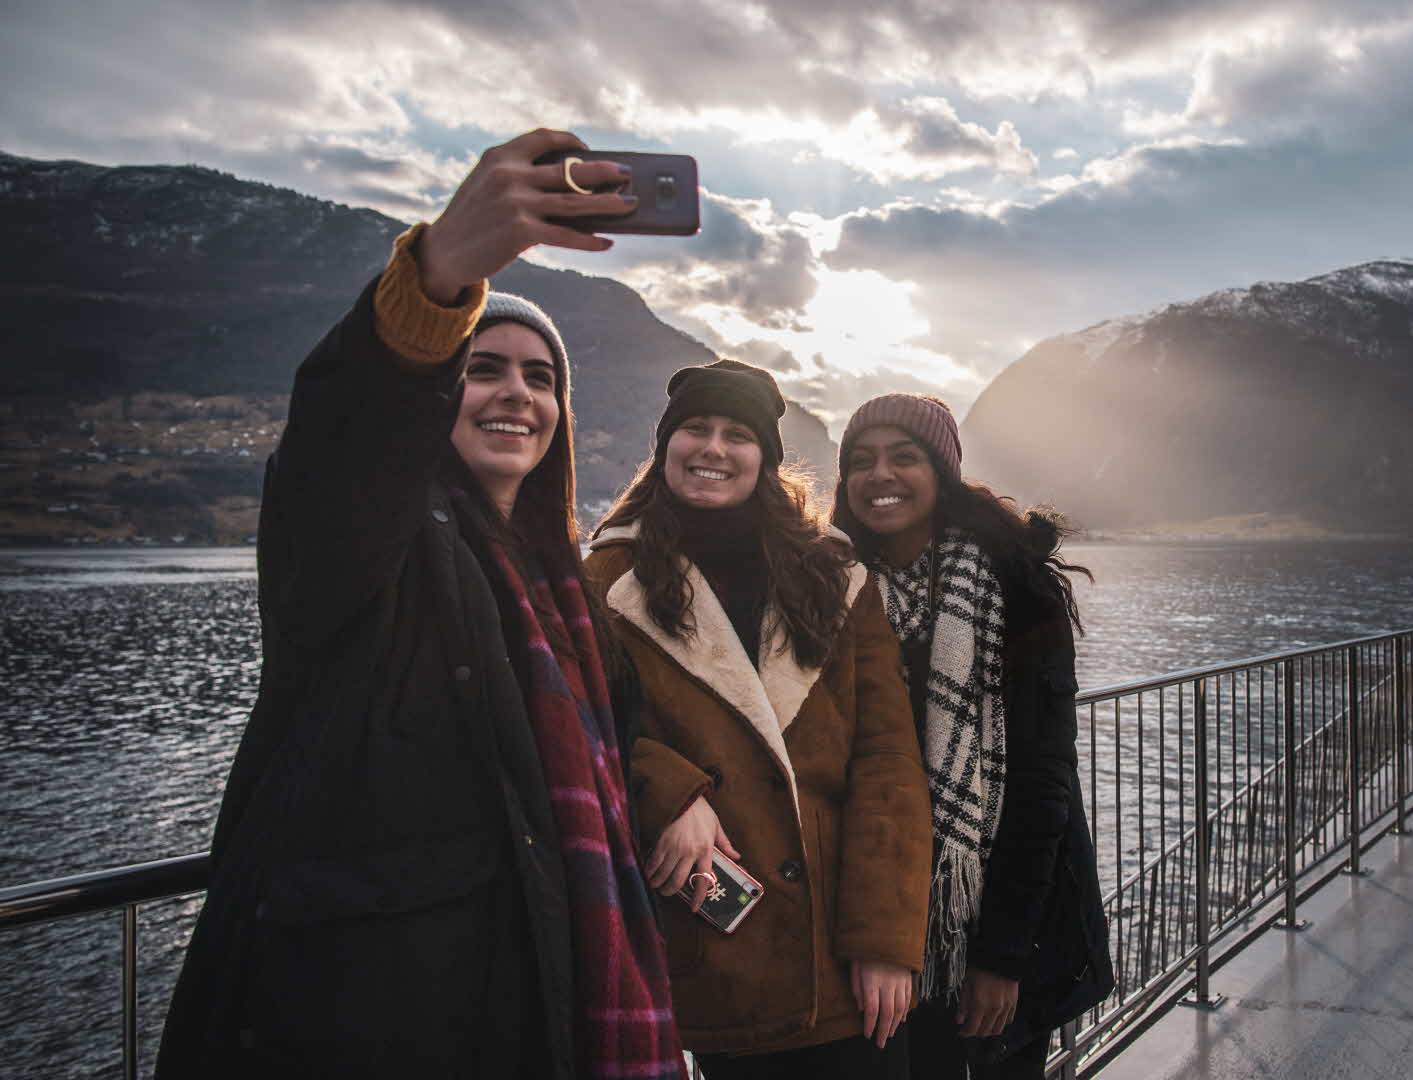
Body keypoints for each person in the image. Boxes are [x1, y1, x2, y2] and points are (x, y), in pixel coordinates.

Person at [157, 129, 685, 1078]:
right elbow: (348, 444)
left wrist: (682, 799)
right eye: (483, 368)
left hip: (532, 1003)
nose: (516, 393)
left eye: (541, 376)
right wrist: (438, 278)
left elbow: (605, 751)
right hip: (372, 1021)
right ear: (438, 386)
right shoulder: (368, 551)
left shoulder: (564, 592)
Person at [583, 361, 933, 1078]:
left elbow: (887, 763)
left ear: (765, 460)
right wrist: (667, 792)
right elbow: (576, 726)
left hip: (843, 949)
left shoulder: (836, 578)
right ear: (665, 449)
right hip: (720, 949)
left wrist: (887, 941)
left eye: (738, 434)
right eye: (694, 430)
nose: (713, 448)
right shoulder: (603, 580)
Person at [832, 394, 1115, 1080]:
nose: (881, 475)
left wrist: (1001, 956)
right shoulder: (834, 589)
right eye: (861, 461)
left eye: (905, 456)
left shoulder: (1016, 589)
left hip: (992, 916)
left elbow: (1043, 782)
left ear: (942, 470)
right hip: (879, 918)